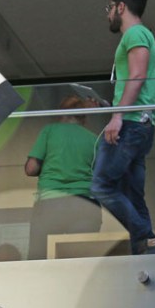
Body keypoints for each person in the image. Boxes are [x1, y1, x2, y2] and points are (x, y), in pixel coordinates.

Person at [90, 0, 155, 255]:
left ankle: (147, 238)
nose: (108, 14)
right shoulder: (145, 36)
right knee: (133, 194)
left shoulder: (134, 34)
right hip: (141, 123)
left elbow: (137, 76)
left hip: (132, 122)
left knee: (102, 185)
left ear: (121, 7)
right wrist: (112, 108)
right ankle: (146, 253)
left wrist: (118, 115)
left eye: (110, 7)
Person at [24, 96, 102, 259]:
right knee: (81, 261)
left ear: (62, 114)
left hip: (51, 203)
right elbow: (101, 176)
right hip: (86, 205)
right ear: (84, 118)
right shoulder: (94, 139)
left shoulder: (50, 131)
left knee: (39, 259)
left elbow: (31, 169)